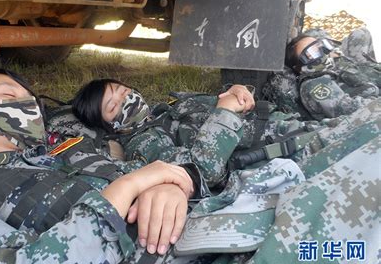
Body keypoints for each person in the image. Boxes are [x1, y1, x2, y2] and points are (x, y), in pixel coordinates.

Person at [0, 69, 199, 264]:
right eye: (8, 97)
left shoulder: (69, 151)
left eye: (30, 101)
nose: (26, 106)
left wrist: (169, 186)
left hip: (209, 225)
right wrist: (126, 190)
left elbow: (153, 175)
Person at [72, 79, 255, 188]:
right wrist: (226, 112)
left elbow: (222, 98)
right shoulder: (143, 144)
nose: (125, 99)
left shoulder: (167, 108)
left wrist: (237, 91)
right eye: (113, 106)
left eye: (123, 91)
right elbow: (202, 171)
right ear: (109, 127)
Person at [264, 28, 380, 120]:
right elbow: (351, 109)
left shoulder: (331, 69)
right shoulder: (314, 84)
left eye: (320, 45)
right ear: (299, 67)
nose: (322, 52)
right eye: (312, 52)